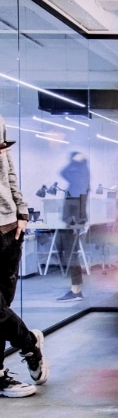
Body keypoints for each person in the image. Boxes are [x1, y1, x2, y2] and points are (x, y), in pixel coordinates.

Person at [0, 116, 49, 397]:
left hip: (9, 230)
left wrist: (22, 211)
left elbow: (8, 172)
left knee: (1, 307)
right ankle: (29, 343)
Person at [56, 151, 90, 302]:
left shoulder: (81, 180)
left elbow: (64, 171)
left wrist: (76, 162)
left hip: (74, 222)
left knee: (71, 255)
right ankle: (75, 289)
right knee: (68, 254)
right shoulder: (77, 183)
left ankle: (76, 291)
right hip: (72, 222)